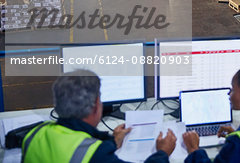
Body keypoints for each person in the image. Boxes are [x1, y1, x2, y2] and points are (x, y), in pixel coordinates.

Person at [22, 70, 176, 163]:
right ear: (96, 105)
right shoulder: (97, 155)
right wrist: (162, 153)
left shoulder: (35, 133)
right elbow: (88, 152)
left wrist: (113, 142)